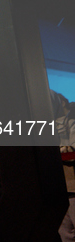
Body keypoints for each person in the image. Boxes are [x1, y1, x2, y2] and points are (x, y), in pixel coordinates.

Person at [53, 92, 75, 241]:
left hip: (71, 185)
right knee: (64, 232)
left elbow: (72, 147)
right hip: (57, 188)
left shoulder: (70, 122)